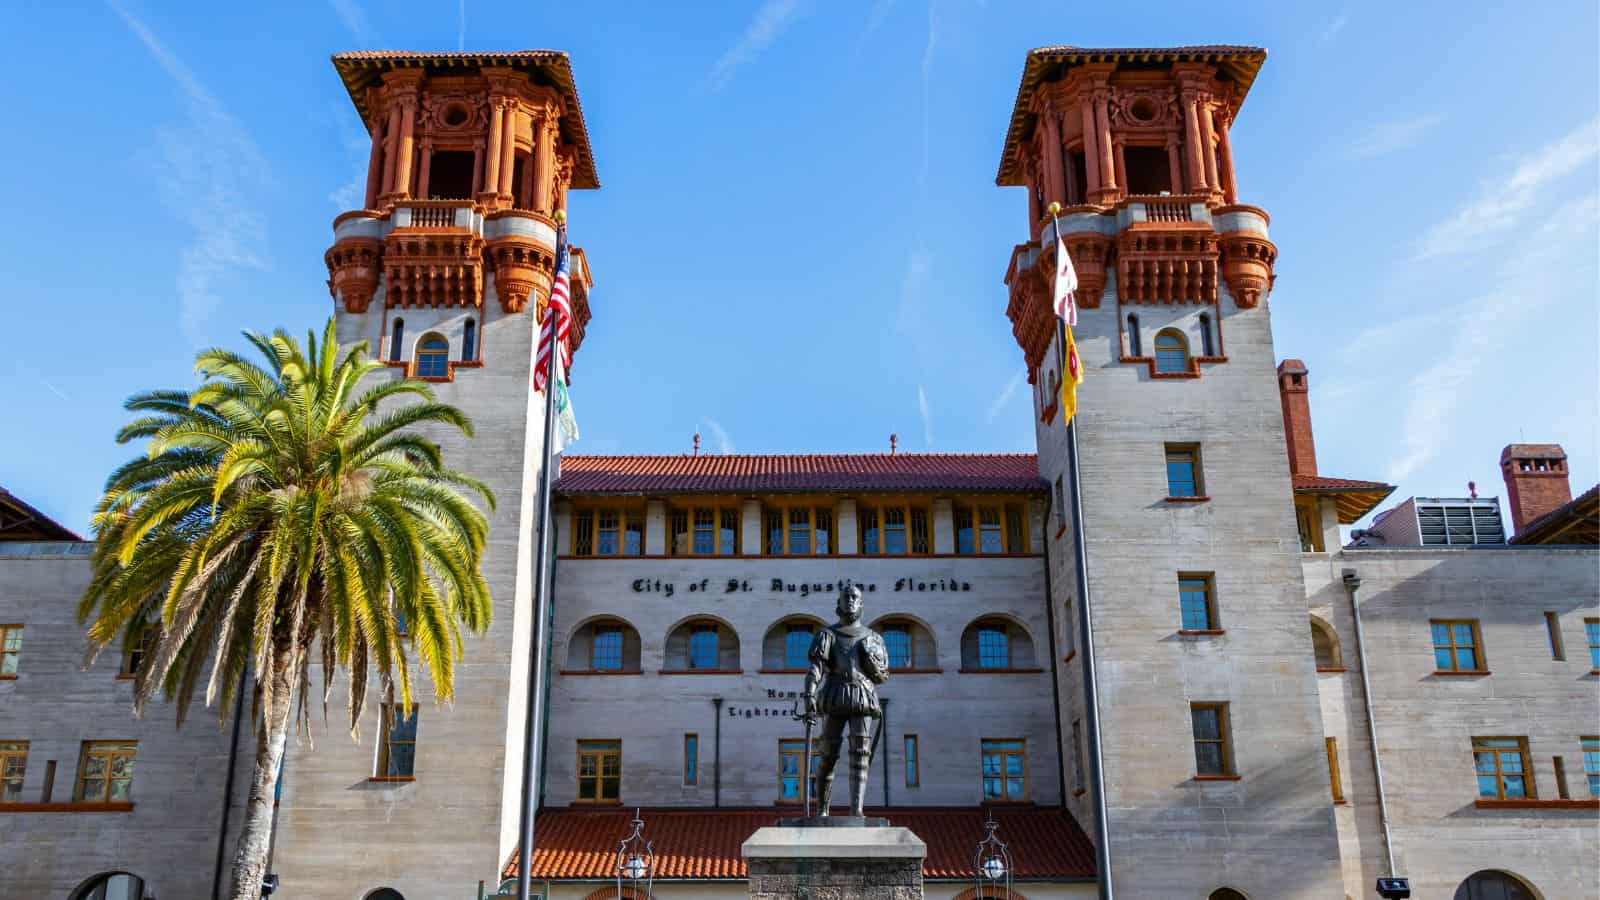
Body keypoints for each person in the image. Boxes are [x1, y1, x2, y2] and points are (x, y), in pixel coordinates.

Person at [802, 584, 890, 817]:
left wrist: (872, 662)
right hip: (834, 695)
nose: (850, 600)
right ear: (838, 604)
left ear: (861, 604)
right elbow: (816, 669)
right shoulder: (827, 635)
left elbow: (882, 675)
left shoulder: (873, 638)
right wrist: (809, 695)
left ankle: (857, 810)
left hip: (862, 696)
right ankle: (822, 809)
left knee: (861, 754)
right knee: (828, 754)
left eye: (855, 597)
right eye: (846, 597)